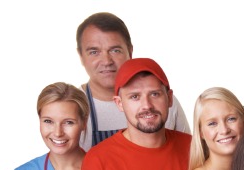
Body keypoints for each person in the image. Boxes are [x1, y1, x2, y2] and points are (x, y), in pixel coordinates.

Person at [76, 11, 190, 150]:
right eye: (94, 52)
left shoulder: (162, 101)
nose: (106, 61)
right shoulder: (72, 107)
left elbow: (191, 155)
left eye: (115, 50)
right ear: (81, 56)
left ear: (130, 52)